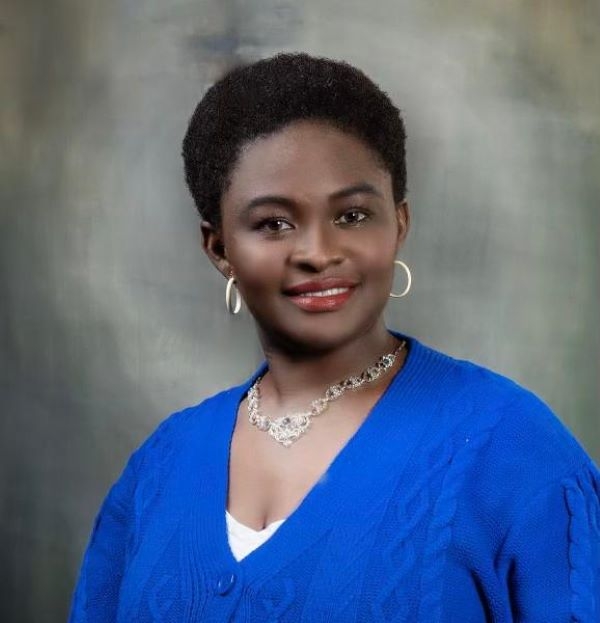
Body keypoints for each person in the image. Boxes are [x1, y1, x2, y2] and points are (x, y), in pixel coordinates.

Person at [68, 52, 600, 622]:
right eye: (273, 223)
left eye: (351, 216)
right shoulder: (161, 465)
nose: (318, 253)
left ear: (399, 224)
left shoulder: (517, 453)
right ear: (220, 249)